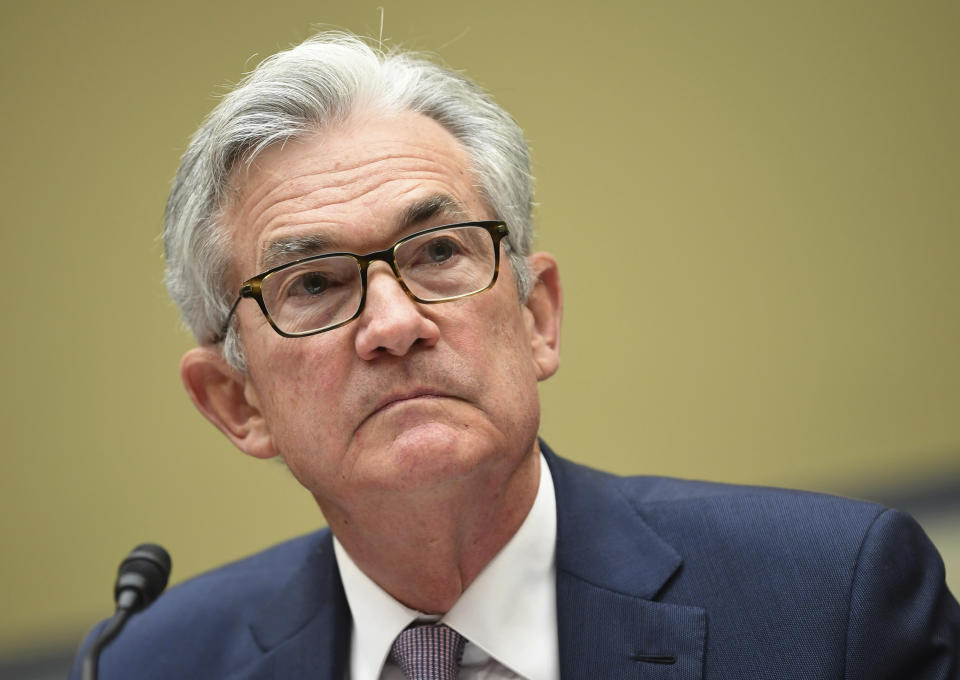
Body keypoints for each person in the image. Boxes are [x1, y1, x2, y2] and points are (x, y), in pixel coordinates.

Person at [71, 31, 959, 680]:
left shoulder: (829, 601)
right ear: (237, 402)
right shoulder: (149, 665)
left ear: (537, 316)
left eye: (437, 253)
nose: (394, 321)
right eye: (313, 285)